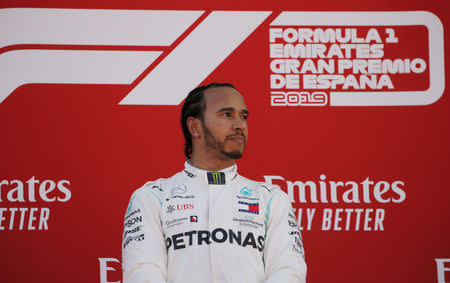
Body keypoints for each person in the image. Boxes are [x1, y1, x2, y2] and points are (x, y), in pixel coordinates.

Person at [122, 83, 307, 283]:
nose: (240, 125)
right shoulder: (152, 197)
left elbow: (288, 272)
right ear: (195, 126)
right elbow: (143, 273)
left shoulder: (271, 198)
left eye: (243, 117)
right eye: (227, 114)